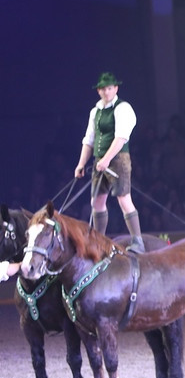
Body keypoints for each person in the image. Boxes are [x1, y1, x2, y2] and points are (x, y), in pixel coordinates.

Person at [74, 72, 145, 252]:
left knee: (123, 198)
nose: (106, 92)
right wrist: (81, 164)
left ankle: (138, 241)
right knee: (96, 202)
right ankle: (98, 240)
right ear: (98, 91)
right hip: (100, 162)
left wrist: (107, 159)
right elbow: (89, 139)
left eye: (109, 88)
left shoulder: (123, 108)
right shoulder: (95, 111)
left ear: (115, 89)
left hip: (118, 159)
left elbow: (121, 137)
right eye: (103, 89)